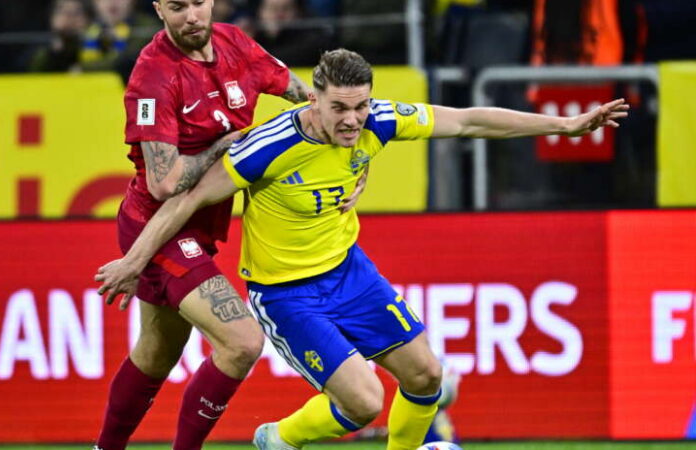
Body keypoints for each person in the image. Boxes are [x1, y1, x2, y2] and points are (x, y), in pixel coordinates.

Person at [95, 48, 628, 449]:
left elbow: (467, 119)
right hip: (286, 294)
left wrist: (564, 125)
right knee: (365, 402)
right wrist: (133, 261)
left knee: (427, 375)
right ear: (314, 100)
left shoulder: (379, 121)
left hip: (349, 273)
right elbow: (186, 199)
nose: (353, 120)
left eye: (361, 106)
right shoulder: (269, 147)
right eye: (340, 109)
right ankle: (279, 438)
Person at [90, 1, 332, 449]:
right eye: (177, 6)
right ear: (158, 8)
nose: (192, 16)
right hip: (158, 227)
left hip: (199, 228)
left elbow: (303, 94)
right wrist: (222, 148)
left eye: (199, 2)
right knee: (242, 342)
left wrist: (348, 135)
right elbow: (164, 183)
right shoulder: (152, 77)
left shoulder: (234, 41)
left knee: (155, 353)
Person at [28, 0, 93, 72]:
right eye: (63, 11)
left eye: (77, 13)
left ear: (88, 18)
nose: (69, 18)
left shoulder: (98, 42)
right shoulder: (37, 46)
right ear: (52, 18)